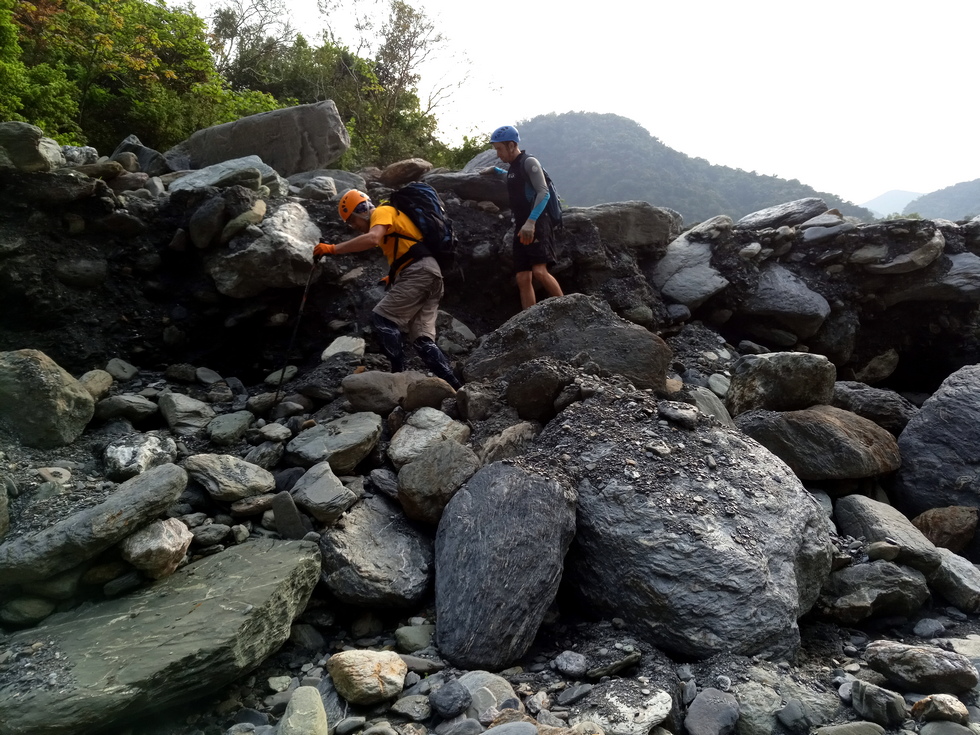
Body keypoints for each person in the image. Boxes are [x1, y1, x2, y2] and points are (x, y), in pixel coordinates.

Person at [314, 189, 462, 390]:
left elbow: (372, 238)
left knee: (382, 319)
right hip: (431, 274)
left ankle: (397, 376)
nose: (354, 227)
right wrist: (394, 275)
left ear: (361, 210)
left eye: (352, 221)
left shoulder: (381, 212)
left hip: (419, 273)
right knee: (422, 339)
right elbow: (405, 247)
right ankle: (456, 387)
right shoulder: (392, 218)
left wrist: (332, 249)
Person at [484, 125, 564, 310]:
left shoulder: (529, 162)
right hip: (522, 225)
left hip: (536, 223)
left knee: (539, 271)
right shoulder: (514, 167)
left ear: (511, 145)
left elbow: (542, 192)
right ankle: (529, 320)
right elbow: (517, 180)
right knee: (522, 277)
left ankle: (569, 308)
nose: (498, 154)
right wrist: (496, 171)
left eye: (499, 149)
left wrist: (531, 222)